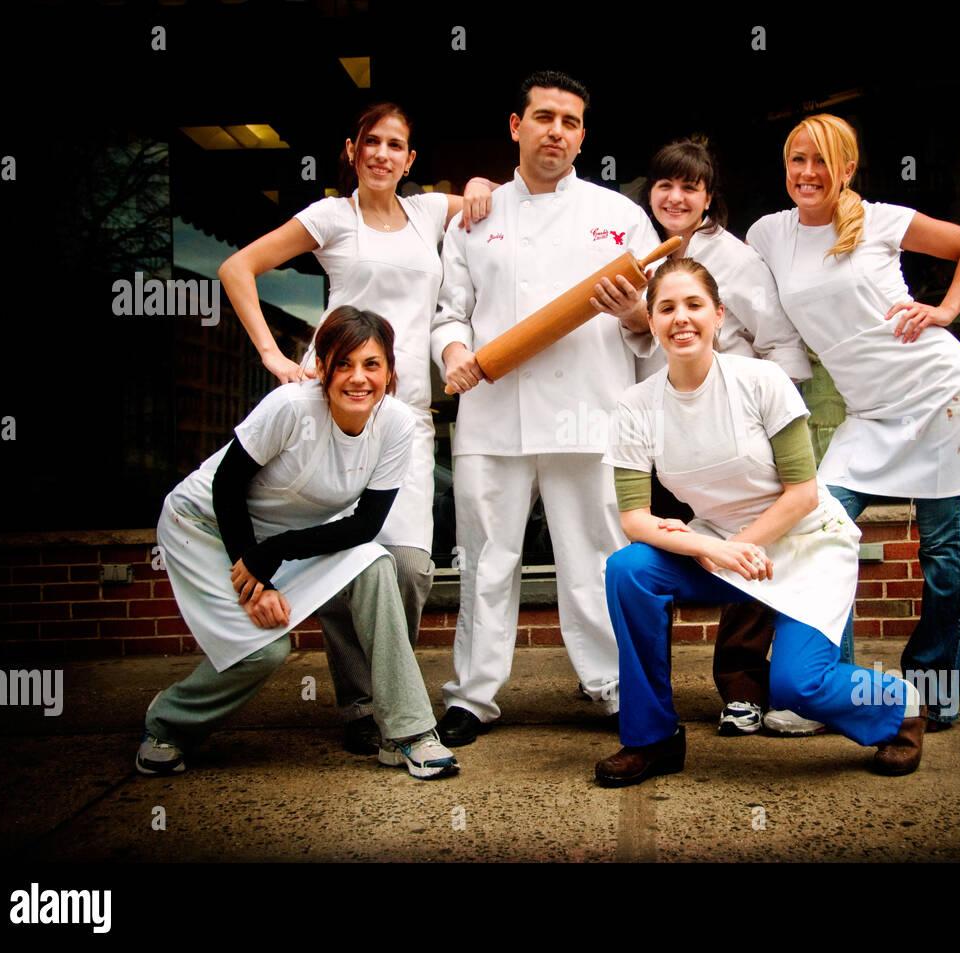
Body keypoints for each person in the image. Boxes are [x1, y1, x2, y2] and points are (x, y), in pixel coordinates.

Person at [218, 102, 497, 754]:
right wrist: (271, 354)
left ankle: (382, 694)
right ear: (352, 149)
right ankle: (365, 707)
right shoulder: (330, 217)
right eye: (371, 142)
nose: (382, 154)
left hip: (409, 417)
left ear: (410, 158)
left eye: (395, 144)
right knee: (346, 558)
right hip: (336, 412)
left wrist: (481, 188)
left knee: (408, 566)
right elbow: (237, 268)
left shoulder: (427, 211)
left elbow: (486, 201)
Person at [594, 258, 925, 787]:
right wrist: (713, 548)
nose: (681, 318)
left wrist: (725, 549)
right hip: (722, 547)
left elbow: (803, 493)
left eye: (694, 305)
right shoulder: (635, 407)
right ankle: (650, 738)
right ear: (650, 323)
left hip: (806, 543)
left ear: (719, 315)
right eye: (667, 308)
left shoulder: (762, 380)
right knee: (628, 569)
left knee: (798, 689)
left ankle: (898, 707)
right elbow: (634, 519)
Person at [430, 70, 660, 746]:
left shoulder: (619, 217)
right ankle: (472, 696)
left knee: (593, 557)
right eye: (543, 117)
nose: (556, 130)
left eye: (570, 121)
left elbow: (657, 317)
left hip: (588, 414)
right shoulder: (479, 214)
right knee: (486, 560)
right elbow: (450, 312)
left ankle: (612, 686)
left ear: (583, 135)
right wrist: (452, 356)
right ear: (516, 126)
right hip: (493, 414)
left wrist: (638, 313)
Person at [747, 114, 960, 731]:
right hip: (869, 412)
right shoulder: (768, 235)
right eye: (797, 160)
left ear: (848, 169)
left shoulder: (882, 219)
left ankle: (933, 691)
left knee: (941, 552)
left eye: (822, 161)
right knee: (816, 528)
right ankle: (834, 691)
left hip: (939, 393)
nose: (808, 174)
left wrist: (945, 309)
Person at [135, 306, 458, 779]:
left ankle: (407, 733)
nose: (358, 378)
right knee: (266, 650)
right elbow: (227, 486)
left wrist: (276, 552)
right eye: (343, 363)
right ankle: (166, 725)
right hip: (204, 528)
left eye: (371, 365)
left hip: (273, 543)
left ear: (389, 372)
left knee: (375, 563)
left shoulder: (395, 424)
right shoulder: (290, 407)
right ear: (322, 367)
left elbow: (365, 525)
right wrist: (257, 578)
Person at [636, 139, 828, 738]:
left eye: (690, 187)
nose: (676, 197)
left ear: (708, 198)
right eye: (666, 185)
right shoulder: (635, 255)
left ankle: (742, 690)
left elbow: (781, 344)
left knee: (749, 552)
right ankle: (649, 698)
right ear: (651, 192)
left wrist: (771, 417)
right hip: (662, 434)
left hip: (735, 435)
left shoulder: (738, 260)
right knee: (652, 558)